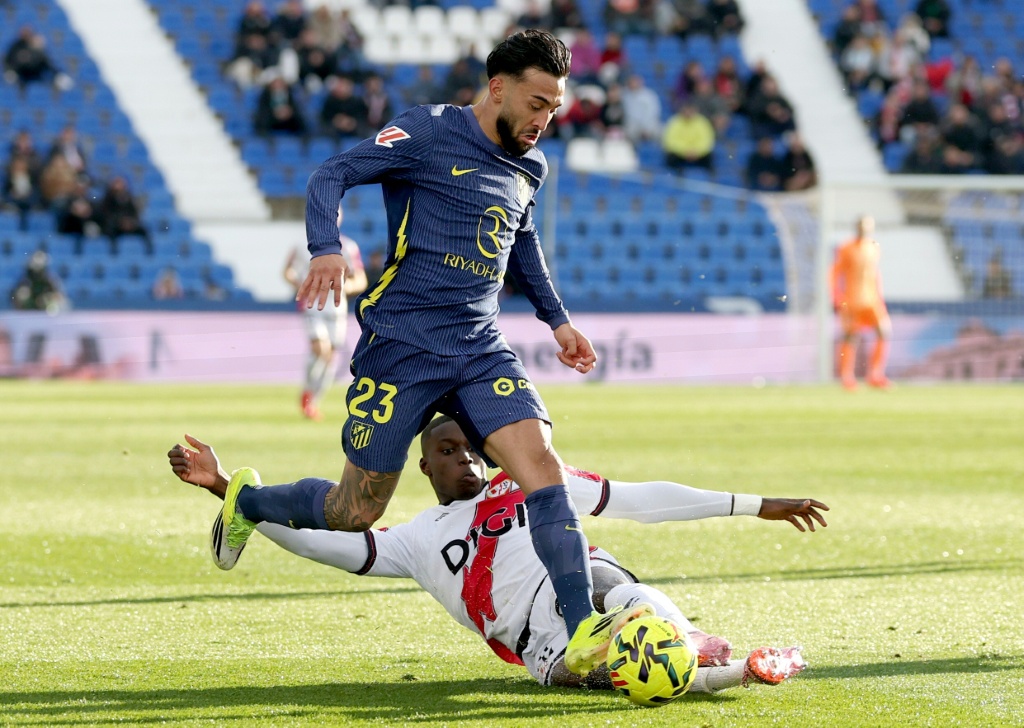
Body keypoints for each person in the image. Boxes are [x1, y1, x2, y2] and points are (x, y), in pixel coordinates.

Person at [218, 30, 618, 679]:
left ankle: (582, 630)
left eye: (555, 108)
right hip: (402, 346)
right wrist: (325, 246)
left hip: (479, 346)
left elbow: (521, 241)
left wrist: (557, 321)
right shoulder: (428, 133)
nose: (546, 120)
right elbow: (333, 174)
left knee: (542, 467)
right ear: (498, 88)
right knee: (356, 511)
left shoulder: (529, 167)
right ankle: (251, 503)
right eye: (538, 102)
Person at [169, 416, 826, 690]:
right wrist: (228, 490)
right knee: (622, 679)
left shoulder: (530, 481)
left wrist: (756, 504)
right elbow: (328, 546)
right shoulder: (420, 538)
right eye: (448, 451)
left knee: (607, 582)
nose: (467, 458)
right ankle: (734, 670)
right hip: (535, 643)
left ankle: (699, 643)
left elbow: (638, 499)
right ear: (422, 465)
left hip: (581, 595)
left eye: (473, 446)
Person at [283, 206, 368, 420]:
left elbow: (361, 279)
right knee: (320, 348)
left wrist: (346, 287)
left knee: (329, 358)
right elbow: (287, 271)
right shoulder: (302, 245)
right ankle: (307, 395)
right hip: (312, 304)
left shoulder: (348, 246)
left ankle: (312, 399)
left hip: (336, 307)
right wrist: (300, 284)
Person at [830, 215, 892, 390]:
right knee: (850, 337)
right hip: (852, 300)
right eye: (861, 225)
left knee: (884, 331)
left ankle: (875, 374)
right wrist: (837, 297)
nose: (863, 228)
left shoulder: (873, 247)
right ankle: (846, 378)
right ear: (856, 226)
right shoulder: (846, 248)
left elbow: (874, 274)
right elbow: (835, 273)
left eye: (867, 225)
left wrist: (880, 296)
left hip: (872, 300)